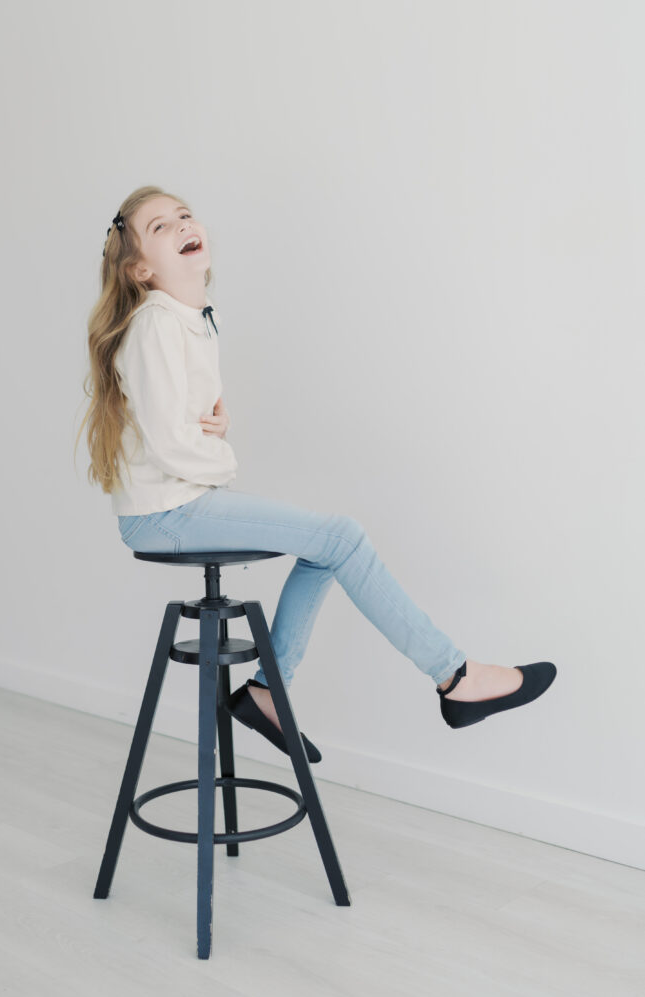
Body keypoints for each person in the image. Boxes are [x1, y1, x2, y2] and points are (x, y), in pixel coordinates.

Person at [77, 185, 556, 760]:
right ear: (139, 270)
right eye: (160, 227)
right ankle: (456, 678)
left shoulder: (195, 318)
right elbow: (169, 445)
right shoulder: (156, 323)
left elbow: (175, 428)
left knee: (330, 545)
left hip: (176, 507)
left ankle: (265, 694)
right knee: (339, 537)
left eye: (184, 215)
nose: (181, 225)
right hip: (166, 514)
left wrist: (214, 432)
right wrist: (222, 455)